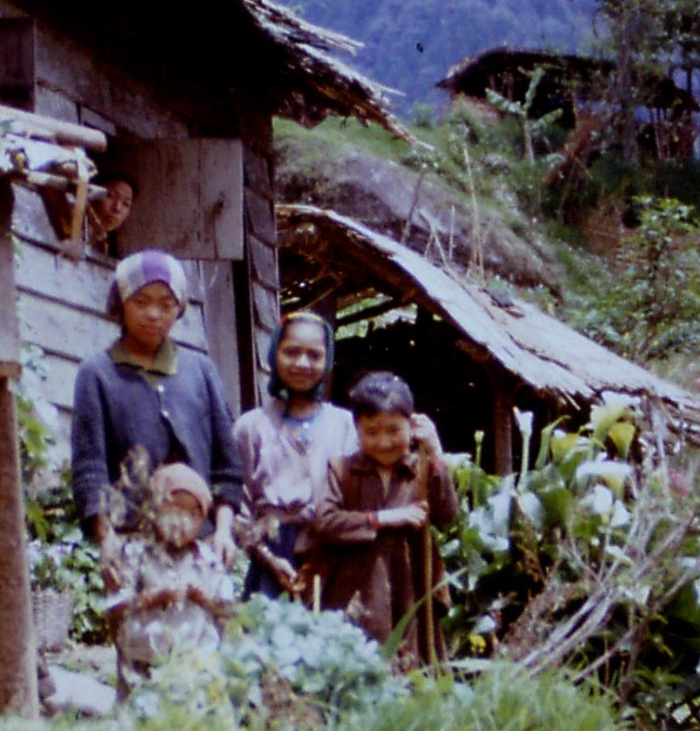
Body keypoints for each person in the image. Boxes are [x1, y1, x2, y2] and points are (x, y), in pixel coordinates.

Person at [70, 249, 244, 571]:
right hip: (131, 548)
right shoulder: (97, 374)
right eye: (141, 301)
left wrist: (222, 532)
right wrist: (107, 538)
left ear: (179, 309)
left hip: (200, 545)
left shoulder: (200, 370)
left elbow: (227, 467)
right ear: (120, 303)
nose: (153, 314)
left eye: (166, 305)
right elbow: (90, 469)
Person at [303, 370, 458, 667]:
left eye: (394, 431)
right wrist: (384, 518)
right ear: (357, 429)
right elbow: (326, 522)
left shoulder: (422, 471)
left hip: (410, 585)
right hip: (355, 588)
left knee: (412, 663)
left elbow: (446, 515)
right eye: (371, 432)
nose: (384, 442)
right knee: (358, 659)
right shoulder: (343, 471)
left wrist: (436, 454)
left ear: (411, 427)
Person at [232, 312, 357, 599]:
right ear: (275, 353)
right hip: (270, 557)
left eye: (314, 355)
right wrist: (267, 558)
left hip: (330, 554)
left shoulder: (346, 426)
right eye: (292, 352)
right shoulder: (251, 428)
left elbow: (355, 500)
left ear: (328, 360)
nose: (302, 363)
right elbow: (241, 507)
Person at [103, 463, 237, 697]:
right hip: (143, 663)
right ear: (154, 510)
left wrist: (203, 597)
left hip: (195, 666)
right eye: (173, 510)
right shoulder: (136, 555)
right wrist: (154, 596)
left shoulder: (209, 562)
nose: (182, 521)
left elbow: (227, 612)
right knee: (142, 716)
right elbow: (117, 608)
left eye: (193, 514)